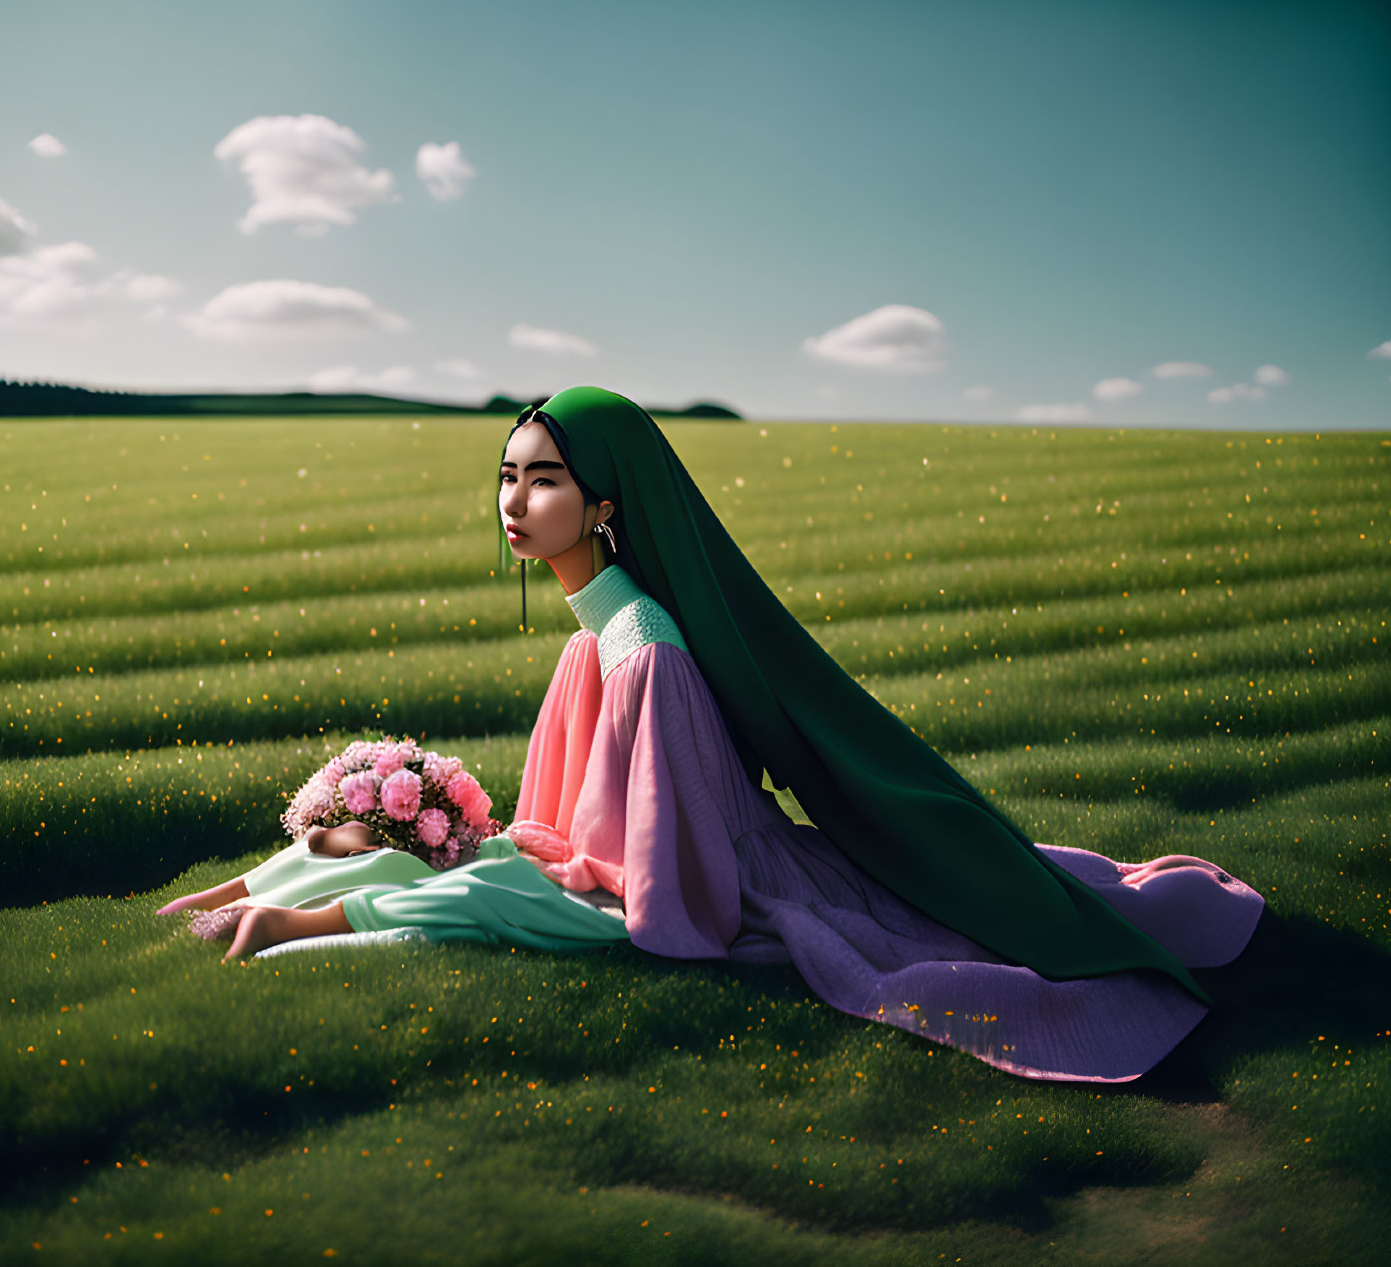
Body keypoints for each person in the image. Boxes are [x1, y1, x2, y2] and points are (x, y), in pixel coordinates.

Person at [160, 386, 1263, 1082]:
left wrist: (508, 861)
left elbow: (653, 879)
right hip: (611, 853)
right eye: (506, 475)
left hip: (696, 874)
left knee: (497, 888)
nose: (513, 498)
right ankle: (259, 890)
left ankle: (300, 920)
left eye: (543, 478)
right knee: (469, 858)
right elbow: (555, 821)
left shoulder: (647, 650)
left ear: (602, 504)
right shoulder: (589, 638)